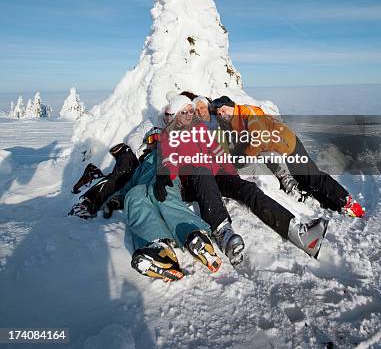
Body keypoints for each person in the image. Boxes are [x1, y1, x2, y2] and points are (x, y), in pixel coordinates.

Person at [159, 95, 329, 262]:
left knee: (248, 189)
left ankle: (299, 233)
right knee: (201, 170)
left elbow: (218, 151)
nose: (190, 115)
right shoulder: (168, 136)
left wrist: (233, 175)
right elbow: (168, 160)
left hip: (216, 174)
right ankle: (223, 232)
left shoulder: (200, 129)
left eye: (191, 111)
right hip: (193, 181)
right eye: (185, 112)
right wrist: (167, 175)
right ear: (175, 116)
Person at [69, 125, 222, 282]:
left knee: (164, 197)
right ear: (147, 143)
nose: (155, 142)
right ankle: (159, 249)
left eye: (159, 138)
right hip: (142, 186)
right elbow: (129, 185)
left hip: (164, 178)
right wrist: (118, 200)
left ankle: (195, 236)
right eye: (151, 139)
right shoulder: (141, 165)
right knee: (133, 196)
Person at [210, 96, 365, 217]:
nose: (222, 114)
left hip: (287, 145)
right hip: (277, 149)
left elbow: (259, 139)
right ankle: (330, 203)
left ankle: (347, 201)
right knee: (302, 179)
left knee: (311, 176)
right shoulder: (233, 120)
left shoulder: (248, 113)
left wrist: (245, 156)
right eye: (219, 113)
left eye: (223, 110)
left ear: (231, 105)